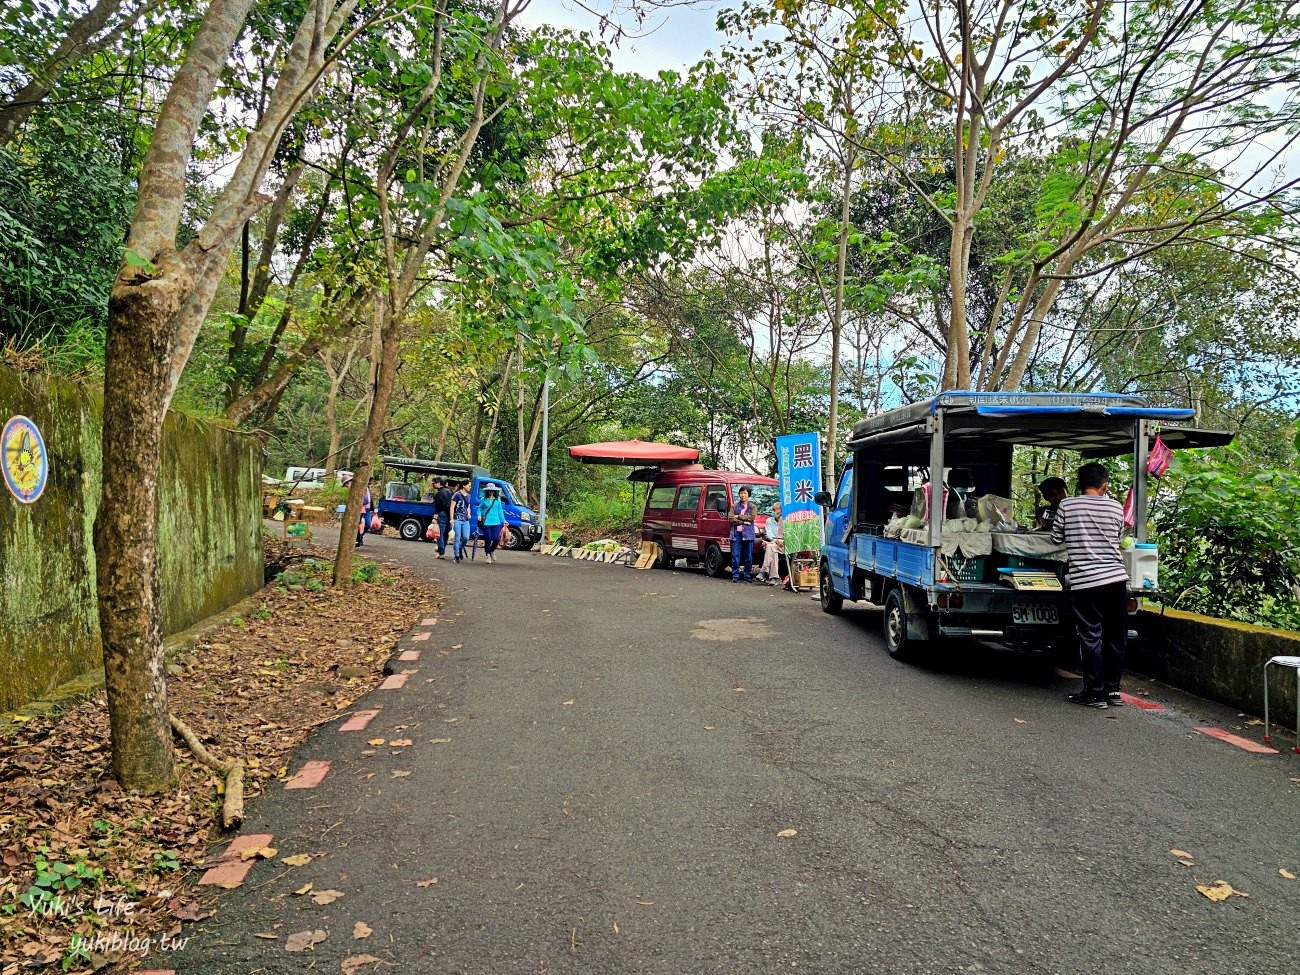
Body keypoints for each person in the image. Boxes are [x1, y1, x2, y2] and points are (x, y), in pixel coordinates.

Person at [1052, 462, 1129, 709]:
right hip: (1116, 579)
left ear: (1079, 483)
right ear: (1104, 484)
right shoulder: (1116, 507)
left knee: (1091, 636)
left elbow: (1055, 538)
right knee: (1116, 636)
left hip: (1086, 581)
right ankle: (1113, 691)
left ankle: (1094, 694)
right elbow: (1116, 539)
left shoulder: (1067, 505)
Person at [728, 485, 756, 582]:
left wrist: (738, 516)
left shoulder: (752, 506)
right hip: (736, 534)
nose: (743, 495)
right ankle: (735, 575)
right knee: (735, 556)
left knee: (748, 556)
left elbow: (751, 518)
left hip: (748, 534)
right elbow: (731, 519)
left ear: (748, 495)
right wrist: (743, 521)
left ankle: (747, 575)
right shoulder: (734, 506)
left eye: (745, 493)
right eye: (741, 493)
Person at [756, 500, 784, 585]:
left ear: (781, 511)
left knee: (769, 547)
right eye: (772, 509)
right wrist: (775, 541)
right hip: (773, 544)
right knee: (772, 549)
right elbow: (769, 534)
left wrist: (774, 542)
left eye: (775, 510)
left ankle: (763, 571)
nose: (773, 512)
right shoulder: (769, 520)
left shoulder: (786, 521)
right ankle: (773, 578)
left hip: (784, 544)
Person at [478, 482, 506, 564]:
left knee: (496, 539)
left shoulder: (497, 500)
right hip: (486, 522)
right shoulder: (483, 499)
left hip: (496, 522)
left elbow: (500, 511)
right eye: (489, 490)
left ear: (495, 491)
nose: (491, 492)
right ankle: (487, 555)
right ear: (487, 491)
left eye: (492, 491)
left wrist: (504, 520)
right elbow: (479, 509)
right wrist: (479, 515)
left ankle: (491, 550)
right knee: (488, 539)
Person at [432, 476, 453, 559]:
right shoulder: (450, 492)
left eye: (434, 483)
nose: (433, 485)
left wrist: (435, 517)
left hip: (443, 514)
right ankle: (442, 550)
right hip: (450, 514)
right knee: (445, 534)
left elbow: (438, 507)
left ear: (438, 483)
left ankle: (441, 551)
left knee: (439, 533)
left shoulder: (438, 494)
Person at [451, 480, 471, 563]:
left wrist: (469, 513)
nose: (470, 487)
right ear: (464, 486)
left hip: (465, 520)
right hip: (457, 519)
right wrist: (451, 519)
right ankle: (456, 556)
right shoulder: (456, 495)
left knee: (466, 537)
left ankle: (460, 548)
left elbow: (468, 506)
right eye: (469, 485)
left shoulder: (469, 496)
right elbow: (452, 507)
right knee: (457, 538)